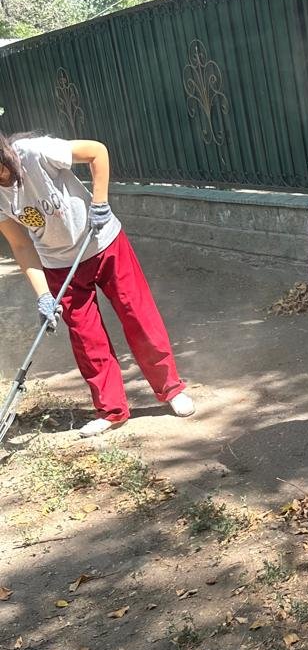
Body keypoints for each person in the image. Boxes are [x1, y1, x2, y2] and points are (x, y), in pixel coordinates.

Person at [0, 132, 194, 438]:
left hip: (104, 243)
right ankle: (111, 410)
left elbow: (96, 151)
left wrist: (100, 202)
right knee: (86, 338)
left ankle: (171, 389)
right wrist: (43, 296)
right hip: (59, 265)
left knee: (138, 316)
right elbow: (21, 245)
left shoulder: (34, 152)